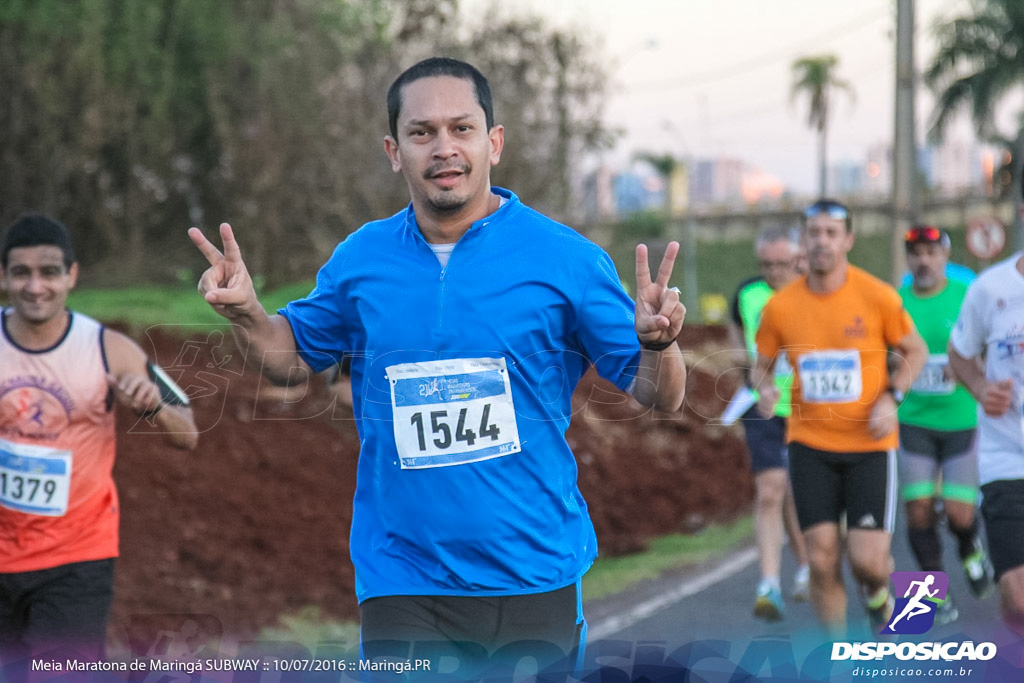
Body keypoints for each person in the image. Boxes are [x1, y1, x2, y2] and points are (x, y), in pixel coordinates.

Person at [189, 57, 687, 676]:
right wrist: (246, 314)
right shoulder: (361, 258)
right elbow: (290, 363)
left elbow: (658, 396)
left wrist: (660, 345)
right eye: (423, 133)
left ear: (493, 142)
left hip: (533, 573)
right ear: (395, 151)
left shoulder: (566, 260)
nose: (444, 148)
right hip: (402, 577)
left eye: (462, 128)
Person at [0, 215, 198, 664]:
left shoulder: (109, 348)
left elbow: (187, 432)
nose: (35, 286)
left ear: (71, 275)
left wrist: (150, 406)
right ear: (3, 275)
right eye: (21, 272)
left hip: (75, 560)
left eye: (49, 272)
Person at [753, 199, 928, 636]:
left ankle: (878, 596)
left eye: (832, 233)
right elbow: (760, 364)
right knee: (822, 557)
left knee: (867, 562)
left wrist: (893, 395)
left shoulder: (877, 296)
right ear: (803, 241)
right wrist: (765, 386)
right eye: (814, 233)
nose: (822, 241)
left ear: (848, 240)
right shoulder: (781, 307)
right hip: (810, 443)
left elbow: (915, 350)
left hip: (869, 444)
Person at [897, 225, 993, 626]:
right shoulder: (896, 300)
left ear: (945, 256)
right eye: (916, 253)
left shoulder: (967, 294)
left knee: (958, 514)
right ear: (908, 258)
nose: (924, 260)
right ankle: (934, 594)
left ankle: (971, 548)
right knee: (918, 510)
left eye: (931, 253)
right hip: (912, 421)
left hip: (962, 421)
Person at [727, 227, 809, 621]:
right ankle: (769, 584)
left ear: (799, 259)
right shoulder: (747, 294)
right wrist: (754, 382)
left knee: (798, 492)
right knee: (771, 490)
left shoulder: (815, 293)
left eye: (782, 264)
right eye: (766, 265)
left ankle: (809, 565)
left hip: (811, 410)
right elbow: (737, 343)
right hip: (764, 407)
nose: (773, 272)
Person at [948, 247, 1024, 636]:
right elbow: (959, 353)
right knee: (1018, 595)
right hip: (1007, 457)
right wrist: (980, 387)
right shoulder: (989, 288)